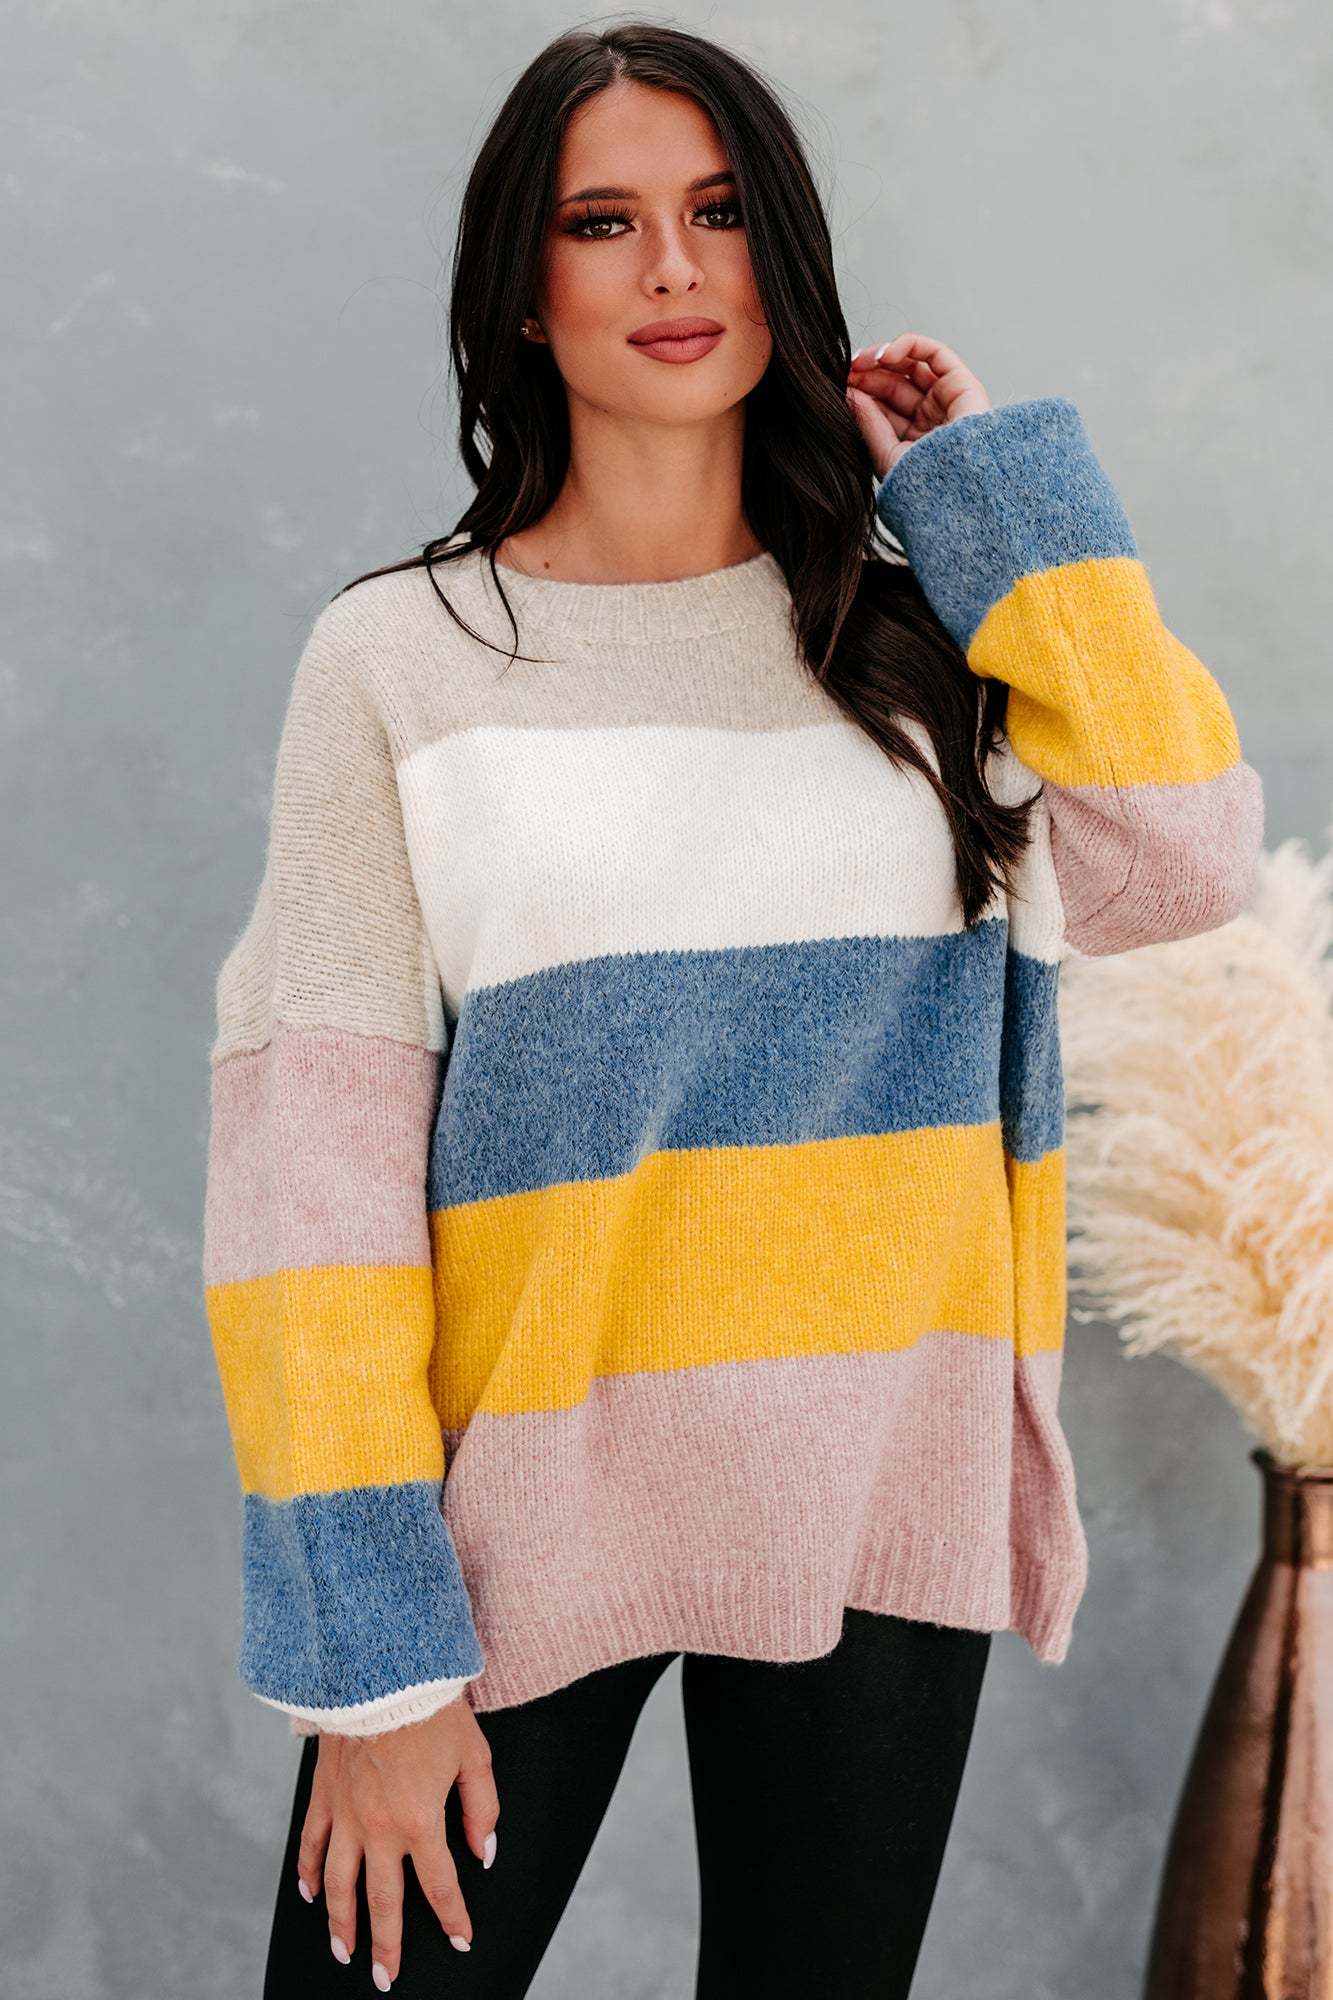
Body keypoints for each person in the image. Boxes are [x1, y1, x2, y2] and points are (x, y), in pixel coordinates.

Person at [200, 21, 1265, 1998]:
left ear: (781, 250)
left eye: (717, 212)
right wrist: (376, 1660)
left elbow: (1184, 857)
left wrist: (992, 500)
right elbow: (308, 1190)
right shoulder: (402, 659)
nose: (676, 268)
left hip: (877, 1471)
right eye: (603, 223)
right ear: (524, 292)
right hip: (520, 1519)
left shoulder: (928, 633)